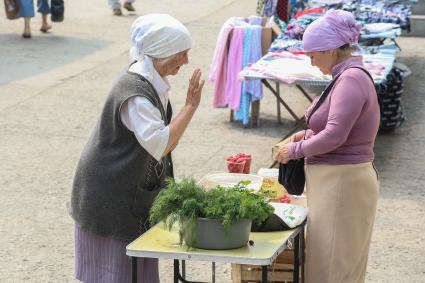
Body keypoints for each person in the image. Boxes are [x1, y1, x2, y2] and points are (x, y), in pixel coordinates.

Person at [70, 14, 204, 283]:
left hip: (126, 189)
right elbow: (161, 144)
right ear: (161, 54)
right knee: (116, 274)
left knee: (136, 270)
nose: (186, 61)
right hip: (109, 195)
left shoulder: (153, 82)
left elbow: (168, 143)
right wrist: (190, 106)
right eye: (181, 54)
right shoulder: (135, 93)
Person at [275, 10, 380, 283]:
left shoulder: (351, 78)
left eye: (313, 55)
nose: (311, 62)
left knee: (332, 267)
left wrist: (294, 150)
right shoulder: (346, 76)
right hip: (337, 182)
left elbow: (335, 135)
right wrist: (304, 135)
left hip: (343, 183)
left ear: (331, 50)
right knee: (331, 263)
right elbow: (335, 128)